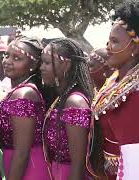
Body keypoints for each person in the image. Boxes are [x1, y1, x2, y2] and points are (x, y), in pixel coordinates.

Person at [89, 1, 139, 179]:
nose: (108, 47)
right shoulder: (115, 79)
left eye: (115, 42)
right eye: (108, 40)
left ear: (134, 46)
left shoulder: (135, 93)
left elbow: (134, 157)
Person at [0, 36, 51, 180]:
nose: (7, 61)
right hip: (18, 163)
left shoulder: (23, 95)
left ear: (32, 65)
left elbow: (22, 152)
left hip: (28, 168)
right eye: (6, 55)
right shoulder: (20, 90)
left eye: (17, 58)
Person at [41, 38, 93, 180]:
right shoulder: (61, 97)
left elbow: (78, 165)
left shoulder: (74, 102)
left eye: (47, 63)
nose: (41, 68)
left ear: (65, 64)